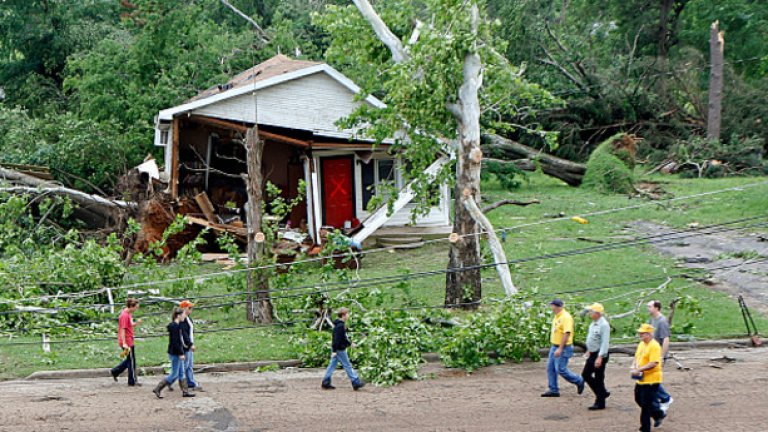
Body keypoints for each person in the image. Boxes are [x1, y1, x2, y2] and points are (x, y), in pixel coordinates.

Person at [541, 298, 585, 397]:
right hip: (554, 346)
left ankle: (579, 380)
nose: (551, 308)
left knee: (561, 369)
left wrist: (560, 348)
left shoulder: (566, 317)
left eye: (552, 305)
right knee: (550, 368)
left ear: (557, 307)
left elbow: (567, 333)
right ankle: (553, 389)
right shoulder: (557, 316)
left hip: (563, 347)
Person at [152, 307, 195, 398]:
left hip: (176, 352)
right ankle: (158, 388)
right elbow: (176, 342)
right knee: (174, 374)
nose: (184, 316)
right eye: (183, 314)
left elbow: (180, 340)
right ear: (178, 315)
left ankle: (185, 391)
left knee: (181, 372)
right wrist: (181, 353)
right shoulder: (175, 327)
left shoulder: (176, 325)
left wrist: (186, 347)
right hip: (175, 353)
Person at [631, 323, 666, 432]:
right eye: (640, 333)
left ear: (649, 334)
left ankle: (645, 428)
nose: (640, 335)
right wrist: (634, 366)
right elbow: (637, 357)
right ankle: (658, 413)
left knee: (645, 405)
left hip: (652, 380)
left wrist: (639, 370)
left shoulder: (654, 346)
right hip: (641, 379)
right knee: (638, 399)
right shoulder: (642, 344)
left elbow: (653, 363)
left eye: (643, 333)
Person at [321, 307, 365, 391]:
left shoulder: (339, 325)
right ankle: (355, 382)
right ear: (343, 315)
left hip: (337, 348)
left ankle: (326, 382)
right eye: (347, 314)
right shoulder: (340, 326)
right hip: (339, 349)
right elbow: (338, 339)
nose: (348, 315)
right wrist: (336, 350)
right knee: (347, 365)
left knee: (332, 365)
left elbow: (340, 338)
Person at [581, 303, 611, 410]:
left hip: (599, 354)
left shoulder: (604, 325)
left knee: (598, 377)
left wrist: (600, 357)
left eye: (591, 312)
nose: (589, 313)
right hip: (593, 353)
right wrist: (589, 350)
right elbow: (592, 338)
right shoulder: (593, 324)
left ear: (597, 313)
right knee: (586, 375)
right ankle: (602, 393)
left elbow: (604, 342)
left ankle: (600, 400)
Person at [648, 300, 673, 413]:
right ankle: (660, 400)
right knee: (650, 379)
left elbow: (666, 339)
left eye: (650, 307)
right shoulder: (652, 320)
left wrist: (662, 357)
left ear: (657, 308)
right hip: (652, 354)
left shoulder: (662, 322)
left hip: (657, 356)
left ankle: (665, 398)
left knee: (652, 380)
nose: (648, 309)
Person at [110, 298, 142, 386]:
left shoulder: (129, 313)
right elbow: (123, 330)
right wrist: (124, 343)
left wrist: (137, 323)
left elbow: (130, 325)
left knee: (130, 360)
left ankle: (115, 371)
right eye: (136, 307)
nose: (136, 309)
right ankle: (132, 381)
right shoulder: (124, 315)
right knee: (131, 361)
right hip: (127, 341)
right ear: (131, 306)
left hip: (129, 339)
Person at [179, 300, 204, 392]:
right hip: (185, 346)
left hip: (188, 345)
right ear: (184, 308)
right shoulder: (182, 320)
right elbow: (184, 335)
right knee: (185, 366)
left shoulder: (188, 318)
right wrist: (190, 344)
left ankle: (190, 382)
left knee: (189, 365)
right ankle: (180, 382)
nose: (191, 310)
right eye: (189, 308)